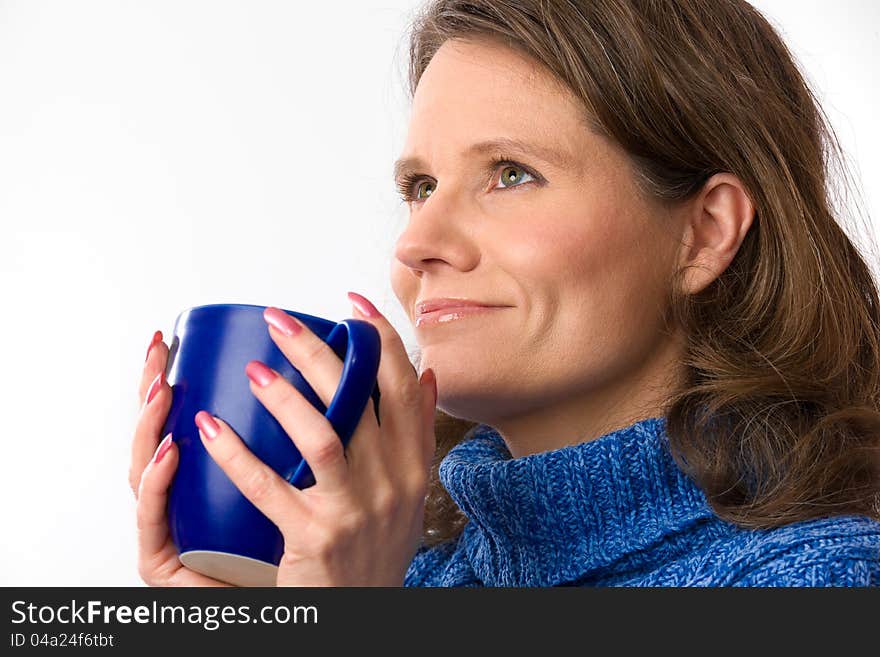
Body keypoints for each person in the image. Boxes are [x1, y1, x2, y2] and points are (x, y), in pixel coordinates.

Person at [129, 0, 880, 587]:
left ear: (705, 232)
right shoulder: (393, 578)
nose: (415, 243)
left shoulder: (826, 580)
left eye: (510, 173)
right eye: (420, 187)